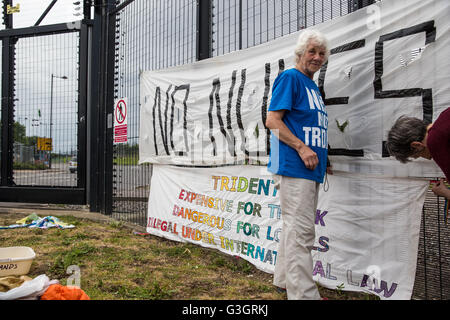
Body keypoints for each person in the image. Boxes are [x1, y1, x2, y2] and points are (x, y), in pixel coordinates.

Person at [265, 29, 330, 300]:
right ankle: (303, 295)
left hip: (310, 168)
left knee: (294, 229)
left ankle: (284, 281)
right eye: (312, 51)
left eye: (321, 53)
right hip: (295, 166)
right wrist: (302, 148)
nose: (317, 57)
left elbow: (309, 125)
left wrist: (324, 155)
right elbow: (273, 120)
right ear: (300, 54)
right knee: (301, 232)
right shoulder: (291, 77)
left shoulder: (311, 85)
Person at [386, 107, 450, 200]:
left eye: (418, 155)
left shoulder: (434, 142)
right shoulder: (444, 116)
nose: (429, 158)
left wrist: (445, 192)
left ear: (416, 145)